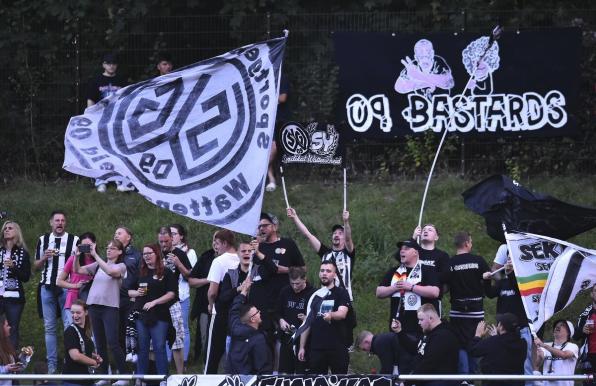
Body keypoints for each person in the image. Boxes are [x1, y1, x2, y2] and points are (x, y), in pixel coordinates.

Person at [376, 237, 440, 374]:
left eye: (406, 248)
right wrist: (394, 288)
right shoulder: (395, 271)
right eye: (401, 249)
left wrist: (411, 287)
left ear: (415, 252)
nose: (401, 251)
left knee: (417, 367)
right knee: (399, 368)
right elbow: (379, 292)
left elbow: (435, 292)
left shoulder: (427, 269)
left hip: (419, 329)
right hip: (398, 329)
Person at [73, 239, 128, 383]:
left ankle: (124, 376)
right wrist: (76, 256)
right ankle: (105, 376)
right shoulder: (98, 264)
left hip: (110, 307)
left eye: (113, 248)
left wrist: (95, 254)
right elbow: (77, 270)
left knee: (113, 342)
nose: (109, 250)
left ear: (120, 251)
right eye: (108, 247)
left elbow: (110, 272)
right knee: (100, 343)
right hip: (93, 306)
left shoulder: (121, 266)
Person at [33, 210, 79, 374]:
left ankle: (69, 364)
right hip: (46, 287)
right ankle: (51, 367)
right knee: (50, 328)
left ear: (65, 223)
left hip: (66, 288)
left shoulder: (74, 240)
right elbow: (36, 266)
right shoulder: (43, 240)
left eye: (62, 220)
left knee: (69, 325)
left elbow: (77, 267)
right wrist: (44, 257)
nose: (60, 223)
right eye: (57, 220)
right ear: (51, 222)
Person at [129, 244, 176, 378]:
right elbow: (128, 291)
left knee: (159, 347)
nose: (147, 256)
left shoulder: (166, 272)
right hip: (141, 315)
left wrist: (154, 302)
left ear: (157, 254)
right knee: (142, 347)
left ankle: (163, 379)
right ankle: (141, 379)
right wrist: (136, 293)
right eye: (144, 254)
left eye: (149, 253)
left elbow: (171, 294)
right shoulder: (140, 272)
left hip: (160, 315)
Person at [85, 52, 130, 193]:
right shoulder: (96, 80)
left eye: (114, 63)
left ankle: (119, 180)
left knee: (117, 150)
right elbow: (90, 100)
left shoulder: (122, 80)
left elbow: (127, 99)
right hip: (100, 121)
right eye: (109, 63)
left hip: (116, 120)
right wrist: (90, 117)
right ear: (103, 65)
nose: (111, 66)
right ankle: (101, 181)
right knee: (100, 151)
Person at [287, 207, 355, 300]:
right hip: (326, 297)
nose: (336, 235)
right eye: (334, 233)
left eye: (340, 233)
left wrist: (346, 222)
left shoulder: (348, 253)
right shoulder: (325, 253)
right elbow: (308, 235)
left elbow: (348, 239)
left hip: (344, 298)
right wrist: (295, 217)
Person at [448, 231, 491, 375]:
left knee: (459, 345)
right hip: (475, 313)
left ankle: (462, 378)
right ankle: (471, 377)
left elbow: (445, 286)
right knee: (475, 342)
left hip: (457, 313)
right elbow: (489, 279)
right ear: (467, 243)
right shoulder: (478, 261)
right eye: (471, 242)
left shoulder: (450, 263)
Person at [297, 261, 352, 374]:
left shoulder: (341, 293)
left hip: (337, 347)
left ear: (335, 275)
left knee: (340, 381)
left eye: (328, 271)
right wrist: (302, 347)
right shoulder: (313, 295)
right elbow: (307, 323)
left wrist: (331, 315)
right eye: (322, 271)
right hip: (317, 348)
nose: (324, 273)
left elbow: (342, 314)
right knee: (317, 381)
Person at [484, 257, 534, 380]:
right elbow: (490, 294)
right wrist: (486, 281)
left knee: (525, 365)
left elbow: (517, 288)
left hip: (520, 330)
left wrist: (511, 273)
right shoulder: (503, 282)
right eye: (508, 260)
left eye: (513, 259)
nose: (509, 263)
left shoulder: (523, 281)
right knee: (503, 363)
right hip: (502, 330)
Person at [392, 303, 459, 383]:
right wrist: (399, 332)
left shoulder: (443, 336)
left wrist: (407, 382)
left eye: (421, 319)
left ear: (431, 318)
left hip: (438, 382)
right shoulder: (429, 333)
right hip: (425, 381)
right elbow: (415, 348)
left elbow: (428, 364)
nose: (419, 323)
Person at [204, 229, 239, 374]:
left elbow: (212, 292)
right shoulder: (242, 257)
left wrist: (211, 306)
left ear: (225, 243)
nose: (215, 246)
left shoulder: (218, 261)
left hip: (221, 312)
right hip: (239, 312)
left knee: (212, 353)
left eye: (217, 243)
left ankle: (206, 381)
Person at [158, 227, 191, 374]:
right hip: (156, 302)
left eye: (166, 241)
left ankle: (180, 375)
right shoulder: (154, 253)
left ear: (172, 239)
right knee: (156, 342)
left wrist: (178, 263)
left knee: (177, 341)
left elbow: (189, 275)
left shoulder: (179, 254)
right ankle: (161, 374)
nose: (163, 244)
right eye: (161, 241)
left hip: (173, 302)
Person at [226, 281, 273, 374]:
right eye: (257, 312)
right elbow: (263, 368)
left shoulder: (235, 328)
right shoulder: (258, 338)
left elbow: (234, 310)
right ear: (253, 319)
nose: (259, 312)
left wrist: (243, 292)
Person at [469, 314, 527, 386]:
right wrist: (497, 337)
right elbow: (504, 347)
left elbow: (473, 351)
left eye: (498, 323)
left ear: (501, 327)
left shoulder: (494, 342)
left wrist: (478, 335)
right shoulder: (523, 344)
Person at [276, 266, 315, 374]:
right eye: (292, 283)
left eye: (297, 283)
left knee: (302, 375)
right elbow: (277, 312)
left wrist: (307, 318)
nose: (294, 286)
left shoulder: (313, 293)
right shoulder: (285, 291)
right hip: (287, 339)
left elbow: (318, 317)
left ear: (304, 279)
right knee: (284, 374)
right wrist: (281, 320)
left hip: (305, 342)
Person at [0, 220, 31, 348]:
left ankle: (11, 362)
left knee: (12, 329)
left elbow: (25, 277)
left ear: (17, 232)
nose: (6, 230)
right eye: (5, 228)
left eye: (10, 228)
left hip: (14, 298)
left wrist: (13, 267)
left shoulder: (23, 253)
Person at [170, 224, 197, 365]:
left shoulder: (189, 252)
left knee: (183, 328)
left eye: (174, 233)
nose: (171, 236)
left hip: (182, 295)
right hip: (167, 295)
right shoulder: (164, 251)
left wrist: (178, 263)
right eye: (170, 233)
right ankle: (169, 359)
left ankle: (184, 359)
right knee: (168, 327)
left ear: (181, 236)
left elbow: (191, 275)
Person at [113, 226, 141, 361]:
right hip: (113, 299)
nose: (116, 235)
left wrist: (137, 295)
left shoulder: (136, 255)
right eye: (115, 233)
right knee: (117, 335)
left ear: (128, 237)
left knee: (131, 333)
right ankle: (122, 372)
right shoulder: (112, 254)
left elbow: (142, 277)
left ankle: (137, 371)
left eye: (119, 233)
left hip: (130, 299)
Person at [188, 234, 216, 364]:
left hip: (225, 305)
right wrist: (209, 279)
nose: (216, 243)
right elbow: (191, 281)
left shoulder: (233, 258)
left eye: (219, 241)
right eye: (214, 240)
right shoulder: (206, 257)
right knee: (205, 336)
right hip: (205, 305)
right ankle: (205, 365)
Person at [62, 300, 103, 386]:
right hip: (73, 381)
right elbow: (75, 356)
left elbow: (83, 350)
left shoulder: (86, 331)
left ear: (86, 312)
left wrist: (94, 357)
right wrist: (93, 362)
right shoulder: (70, 331)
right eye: (72, 312)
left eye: (78, 313)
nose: (74, 315)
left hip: (87, 380)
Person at [57, 232, 96, 320]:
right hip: (73, 299)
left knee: (90, 332)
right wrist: (75, 285)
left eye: (89, 245)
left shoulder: (97, 261)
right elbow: (59, 282)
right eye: (83, 246)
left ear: (94, 244)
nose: (86, 248)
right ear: (79, 246)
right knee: (74, 331)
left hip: (90, 300)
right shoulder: (73, 259)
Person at [533, 320, 578, 386]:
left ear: (569, 332)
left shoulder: (572, 346)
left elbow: (564, 355)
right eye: (556, 325)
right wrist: (539, 356)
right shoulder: (547, 345)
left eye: (562, 325)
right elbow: (536, 364)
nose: (558, 326)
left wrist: (543, 345)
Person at [265, 73, 289, 192]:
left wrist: (266, 96)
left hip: (278, 120)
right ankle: (271, 180)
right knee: (266, 150)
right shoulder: (264, 77)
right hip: (265, 119)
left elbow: (282, 98)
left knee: (274, 148)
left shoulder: (281, 77)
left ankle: (258, 172)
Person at [412, 224, 450, 297]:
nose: (426, 231)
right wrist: (413, 238)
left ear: (436, 237)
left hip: (432, 297)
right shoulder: (414, 252)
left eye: (430, 230)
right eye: (424, 230)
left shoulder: (442, 255)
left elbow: (446, 277)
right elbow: (399, 257)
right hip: (412, 296)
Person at [0, 314, 33, 385]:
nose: (9, 327)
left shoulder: (7, 346)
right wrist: (6, 368)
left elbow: (18, 368)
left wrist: (25, 356)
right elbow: (7, 368)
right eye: (7, 325)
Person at [573, 284, 596, 375]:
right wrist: (582, 330)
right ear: (592, 294)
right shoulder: (585, 314)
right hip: (589, 357)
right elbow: (575, 335)